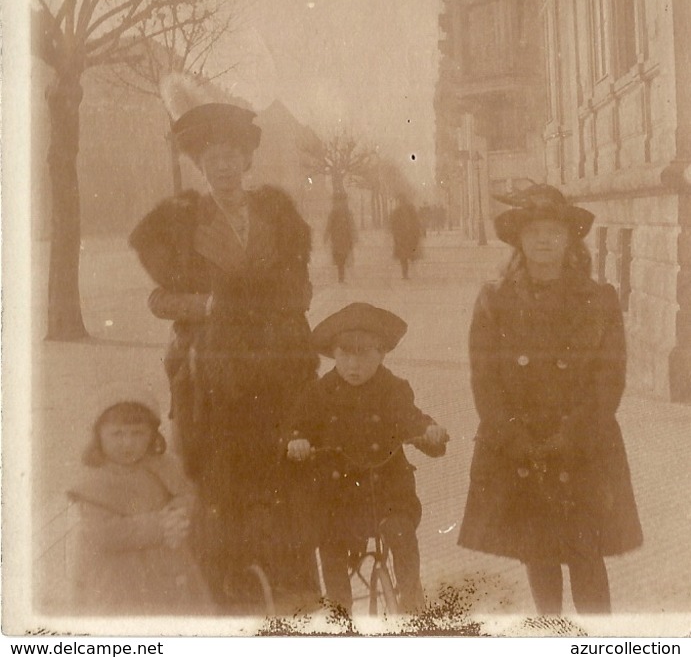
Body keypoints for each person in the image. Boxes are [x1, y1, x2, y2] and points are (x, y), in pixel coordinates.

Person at [128, 101, 319, 612]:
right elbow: (157, 300)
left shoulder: (276, 217)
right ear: (201, 166)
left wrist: (286, 300)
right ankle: (221, 586)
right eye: (213, 157)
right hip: (210, 373)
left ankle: (289, 581)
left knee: (283, 465)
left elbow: (303, 285)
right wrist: (207, 305)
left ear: (248, 161)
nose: (224, 166)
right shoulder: (183, 224)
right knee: (217, 474)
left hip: (277, 363)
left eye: (233, 155)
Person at [458, 185, 643, 616]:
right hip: (520, 445)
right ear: (519, 240)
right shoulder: (495, 300)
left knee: (586, 555)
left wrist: (571, 433)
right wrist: (515, 436)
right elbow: (485, 380)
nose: (544, 240)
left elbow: (608, 379)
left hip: (583, 446)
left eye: (554, 232)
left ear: (570, 241)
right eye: (535, 231)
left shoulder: (598, 300)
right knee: (539, 555)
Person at [286, 302, 448, 613]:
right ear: (333, 354)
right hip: (337, 496)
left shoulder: (394, 389)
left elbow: (410, 418)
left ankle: (413, 606)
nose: (353, 365)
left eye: (363, 354)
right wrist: (298, 442)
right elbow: (298, 426)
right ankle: (339, 614)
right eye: (344, 354)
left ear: (382, 353)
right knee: (330, 543)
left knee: (401, 533)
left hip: (387, 492)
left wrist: (429, 431)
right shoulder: (319, 393)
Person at [67, 389, 212, 615]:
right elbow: (104, 533)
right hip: (116, 572)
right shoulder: (94, 480)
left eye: (138, 434)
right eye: (117, 434)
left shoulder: (162, 465)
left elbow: (185, 494)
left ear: (152, 435)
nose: (128, 443)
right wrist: (161, 526)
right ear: (98, 436)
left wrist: (178, 514)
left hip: (165, 564)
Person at [325, 193, 357, 284]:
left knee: (341, 257)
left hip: (340, 238)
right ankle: (341, 276)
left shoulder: (340, 212)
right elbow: (351, 225)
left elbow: (329, 225)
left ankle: (341, 276)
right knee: (341, 257)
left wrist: (326, 235)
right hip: (341, 238)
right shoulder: (342, 212)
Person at [389, 196, 423, 280]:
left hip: (404, 237)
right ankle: (408, 273)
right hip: (406, 237)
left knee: (405, 256)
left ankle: (406, 273)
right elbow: (416, 222)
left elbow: (393, 224)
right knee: (407, 256)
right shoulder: (409, 210)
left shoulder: (398, 212)